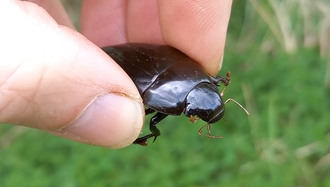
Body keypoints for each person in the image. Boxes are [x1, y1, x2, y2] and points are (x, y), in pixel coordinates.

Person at [0, 0, 232, 148]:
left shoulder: (179, 75)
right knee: (144, 117)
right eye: (212, 84)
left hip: (134, 58)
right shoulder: (164, 91)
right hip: (120, 61)